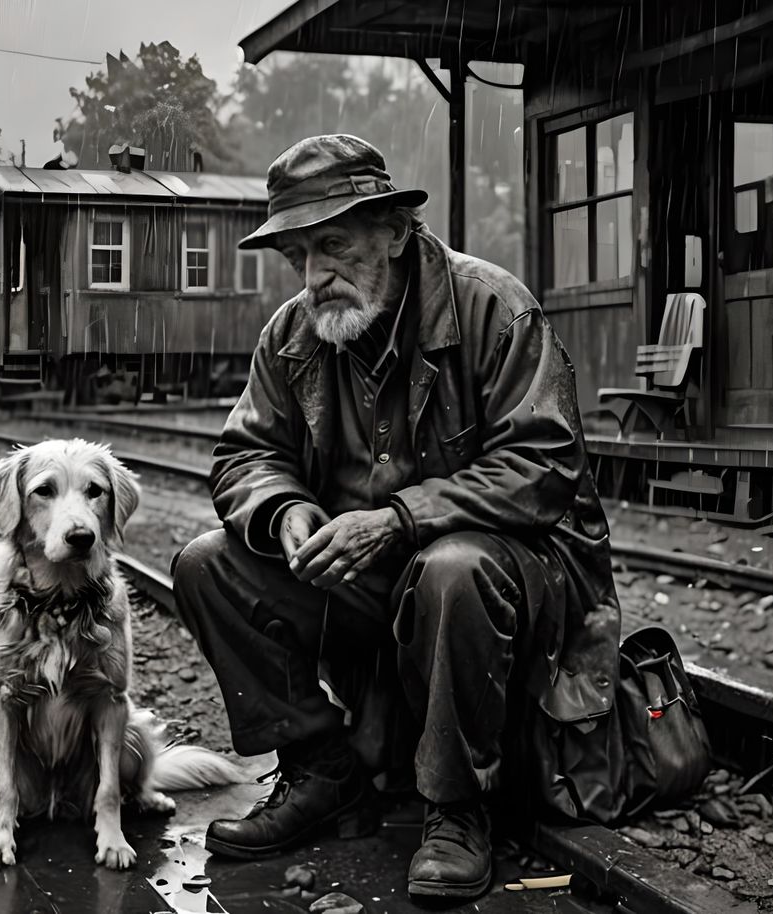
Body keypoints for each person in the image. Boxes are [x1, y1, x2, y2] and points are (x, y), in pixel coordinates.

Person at [171, 134, 624, 901]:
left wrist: (400, 519)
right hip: (378, 588)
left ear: (394, 230)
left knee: (452, 567)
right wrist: (283, 512)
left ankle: (457, 807)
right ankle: (324, 773)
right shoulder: (290, 335)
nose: (316, 277)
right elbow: (243, 456)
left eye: (335, 247)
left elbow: (543, 468)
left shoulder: (495, 310)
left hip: (515, 591)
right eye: (299, 257)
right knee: (206, 561)